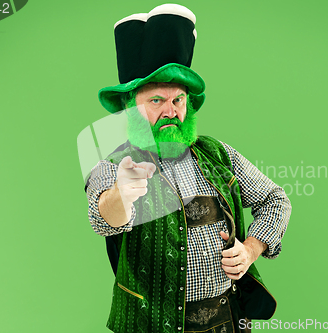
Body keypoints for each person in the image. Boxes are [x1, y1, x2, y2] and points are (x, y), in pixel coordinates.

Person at [84, 4, 292, 333]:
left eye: (177, 99)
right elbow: (105, 218)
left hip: (227, 321)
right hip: (152, 326)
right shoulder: (113, 165)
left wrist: (251, 250)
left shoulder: (217, 153)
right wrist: (123, 194)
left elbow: (275, 199)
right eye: (155, 100)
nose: (171, 111)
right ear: (130, 109)